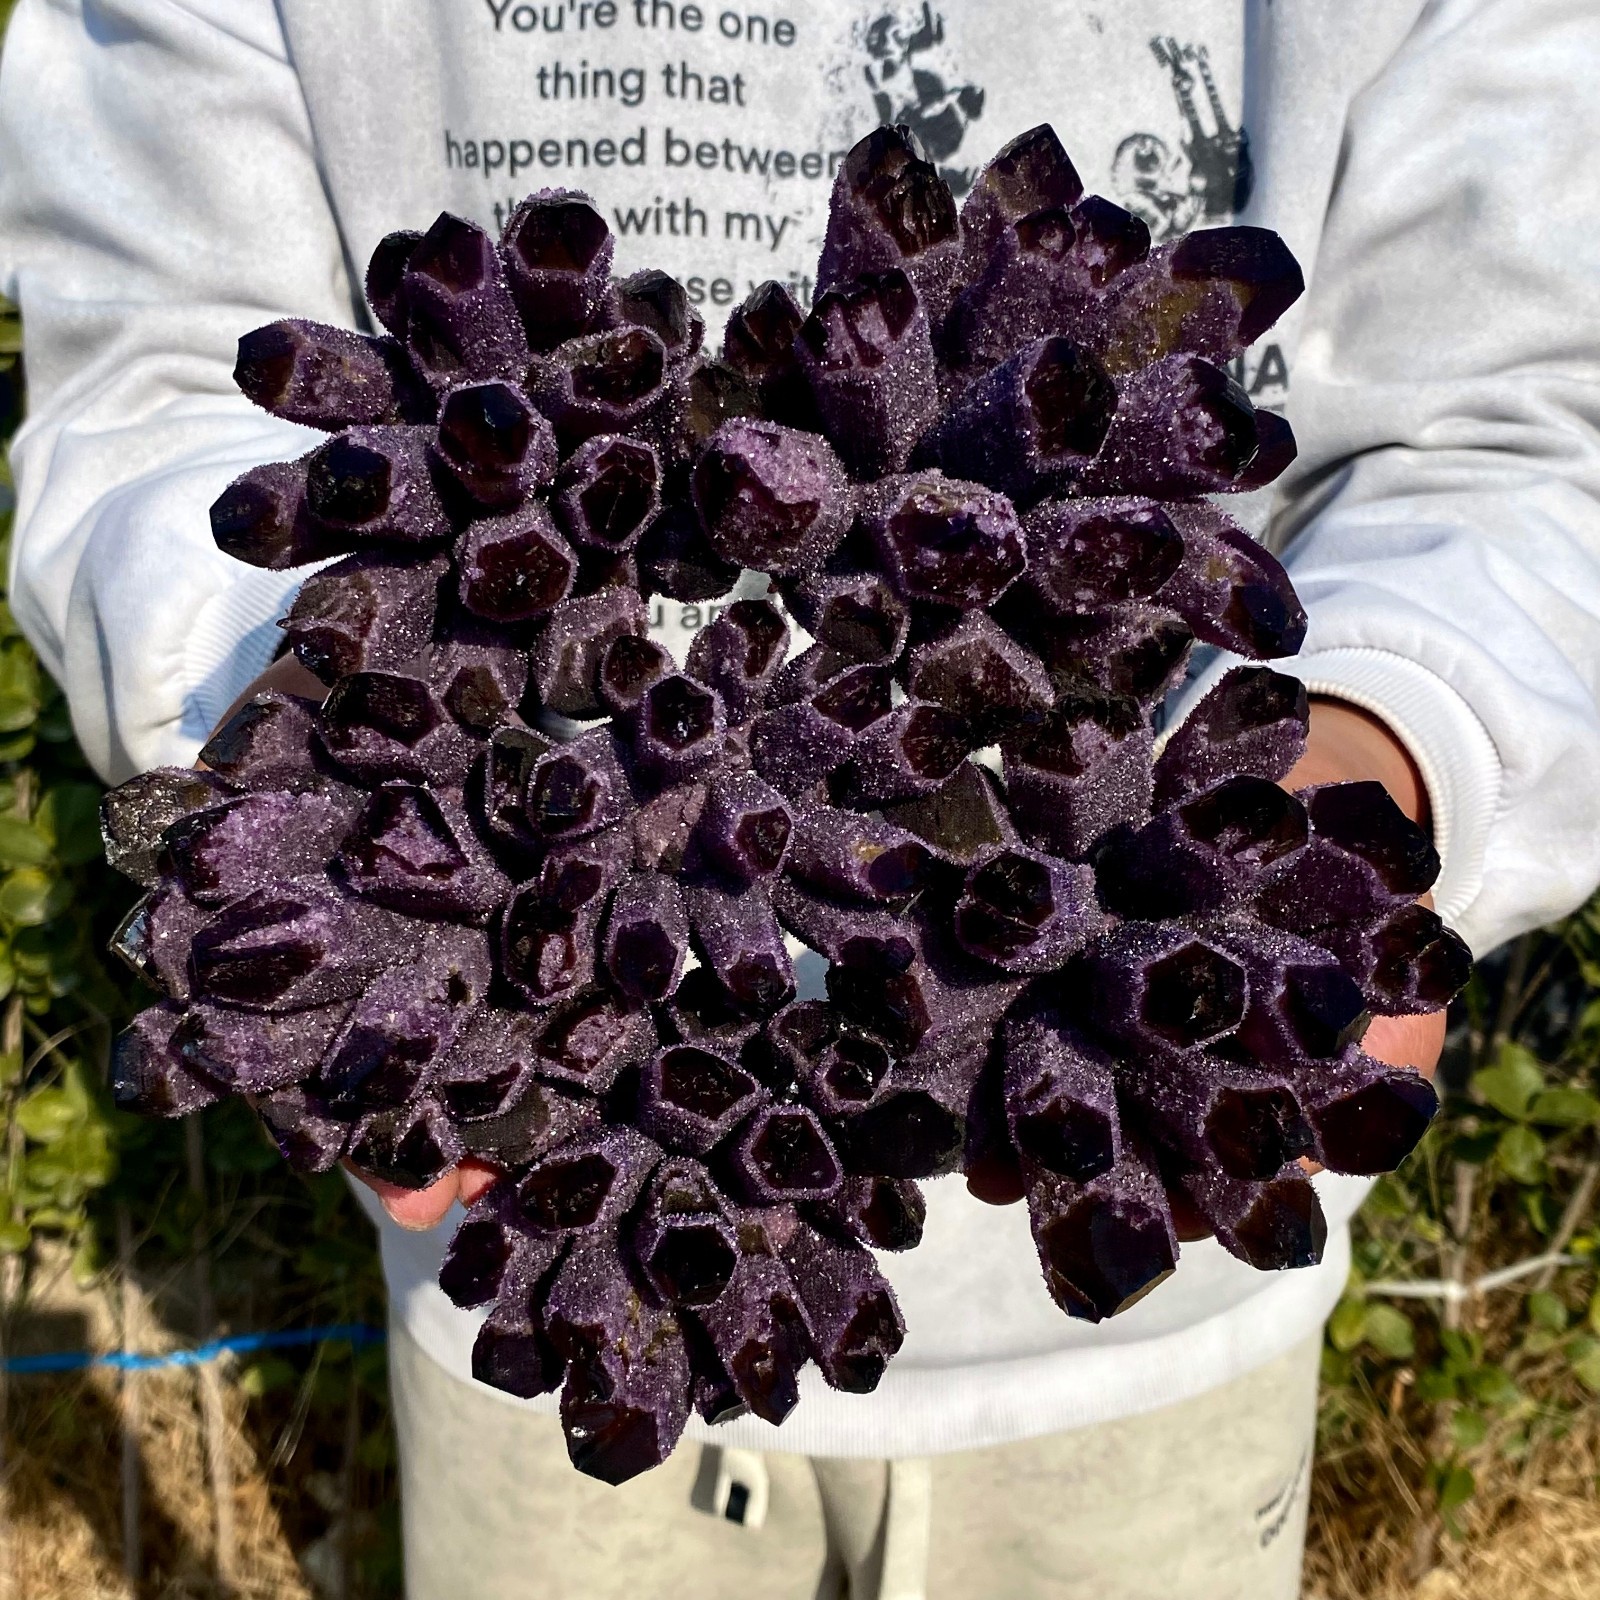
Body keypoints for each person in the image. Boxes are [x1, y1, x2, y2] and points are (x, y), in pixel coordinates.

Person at [3, 1, 1598, 1595]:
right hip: (526, 1219)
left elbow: (1523, 427)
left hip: (1152, 1350)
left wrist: (1391, 756)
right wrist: (289, 729)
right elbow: (152, 362)